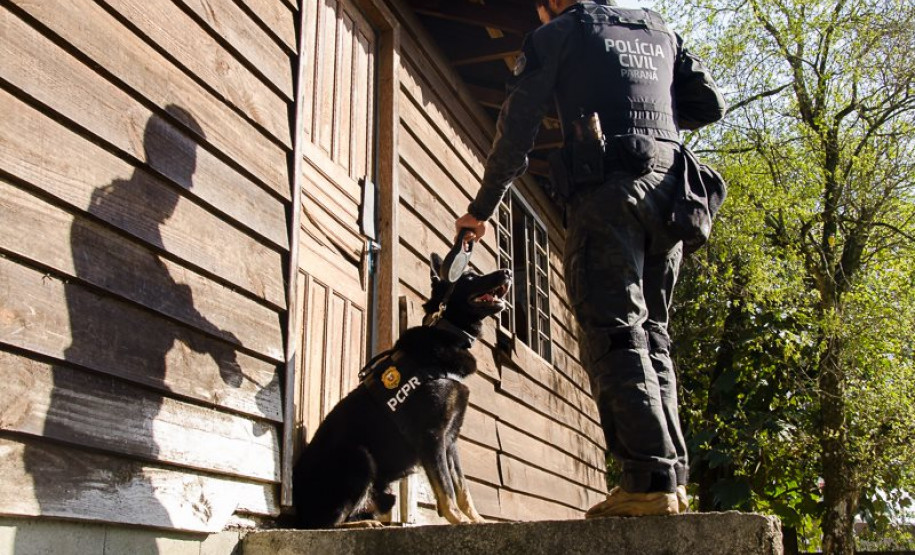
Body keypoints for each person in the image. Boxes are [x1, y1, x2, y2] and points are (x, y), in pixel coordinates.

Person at [454, 0, 726, 517]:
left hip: (609, 195)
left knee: (615, 328)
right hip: (673, 195)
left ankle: (648, 480)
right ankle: (671, 478)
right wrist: (648, 120)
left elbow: (516, 135)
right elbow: (707, 104)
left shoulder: (560, 33)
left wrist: (481, 209)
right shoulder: (657, 28)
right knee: (654, 335)